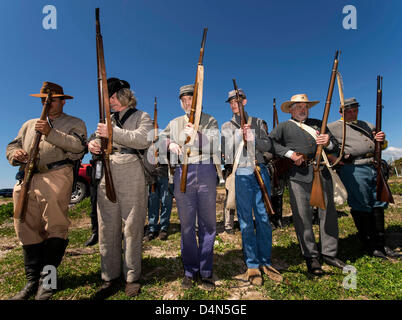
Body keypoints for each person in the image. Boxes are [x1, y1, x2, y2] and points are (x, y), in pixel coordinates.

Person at [6, 81, 87, 300]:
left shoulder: (75, 123)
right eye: (43, 100)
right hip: (27, 177)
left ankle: (48, 282)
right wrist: (16, 155)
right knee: (24, 226)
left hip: (57, 175)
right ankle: (32, 281)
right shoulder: (29, 123)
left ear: (62, 101)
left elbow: (79, 147)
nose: (46, 103)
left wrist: (50, 133)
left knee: (56, 226)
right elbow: (12, 146)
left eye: (51, 100)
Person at [88, 77, 153, 298]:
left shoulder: (141, 116)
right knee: (107, 226)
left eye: (114, 96)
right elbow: (95, 138)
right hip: (107, 171)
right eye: (109, 97)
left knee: (132, 226)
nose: (111, 101)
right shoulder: (107, 119)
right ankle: (109, 276)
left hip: (131, 171)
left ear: (125, 96)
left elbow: (144, 139)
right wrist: (93, 144)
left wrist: (113, 133)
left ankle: (132, 276)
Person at [269, 93, 346, 276]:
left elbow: (335, 146)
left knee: (328, 214)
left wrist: (327, 143)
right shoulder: (284, 126)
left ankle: (329, 253)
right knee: (302, 217)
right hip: (298, 175)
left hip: (322, 172)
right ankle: (311, 257)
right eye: (298, 107)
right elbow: (269, 143)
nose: (303, 110)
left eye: (305, 107)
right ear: (291, 110)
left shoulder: (319, 123)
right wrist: (289, 154)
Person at [159, 84, 220, 290]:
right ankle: (190, 270)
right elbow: (160, 138)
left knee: (208, 223)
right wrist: (170, 144)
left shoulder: (209, 120)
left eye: (191, 99)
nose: (187, 103)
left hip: (205, 169)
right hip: (182, 172)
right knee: (186, 224)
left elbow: (215, 144)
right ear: (180, 102)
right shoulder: (175, 122)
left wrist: (196, 134)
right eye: (184, 100)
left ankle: (206, 270)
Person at [221, 89, 282, 285]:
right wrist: (237, 138)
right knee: (245, 220)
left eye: (237, 100)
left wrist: (253, 138)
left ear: (244, 101)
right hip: (240, 172)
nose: (234, 104)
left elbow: (268, 146)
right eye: (231, 101)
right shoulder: (226, 126)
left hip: (260, 171)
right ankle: (252, 263)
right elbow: (224, 153)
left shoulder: (257, 122)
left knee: (263, 218)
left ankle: (265, 260)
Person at [328, 97, 400, 259]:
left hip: (374, 165)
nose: (353, 113)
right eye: (349, 111)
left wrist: (382, 141)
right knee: (361, 205)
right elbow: (326, 148)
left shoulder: (367, 125)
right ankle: (370, 244)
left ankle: (381, 243)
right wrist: (338, 161)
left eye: (355, 110)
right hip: (354, 168)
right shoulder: (332, 128)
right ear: (341, 112)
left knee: (378, 203)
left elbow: (382, 145)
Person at [261, 120, 286, 229]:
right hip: (265, 170)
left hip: (277, 170)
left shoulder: (273, 138)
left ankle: (278, 219)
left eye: (264, 126)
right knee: (267, 196)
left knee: (279, 195)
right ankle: (269, 220)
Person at [143, 161, 174, 241]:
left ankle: (164, 227)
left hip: (166, 173)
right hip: (152, 173)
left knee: (166, 201)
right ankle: (152, 228)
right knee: (153, 201)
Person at [84, 146, 100, 247]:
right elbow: (84, 148)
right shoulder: (95, 135)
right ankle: (96, 233)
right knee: (94, 203)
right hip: (96, 169)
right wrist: (89, 145)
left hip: (114, 171)